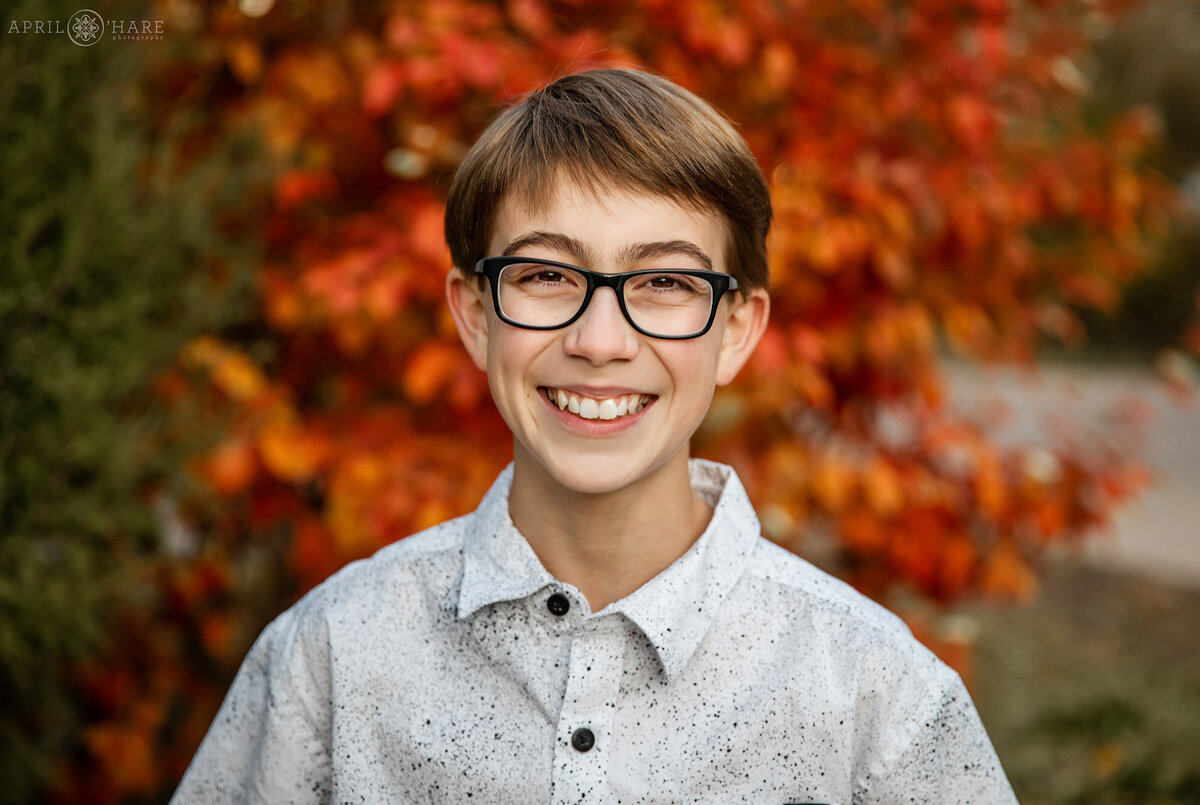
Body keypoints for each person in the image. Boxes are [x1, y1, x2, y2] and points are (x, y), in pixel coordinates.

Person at [173, 68, 1016, 803]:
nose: (601, 341)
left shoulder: (875, 691)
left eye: (663, 282)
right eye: (545, 274)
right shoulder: (332, 657)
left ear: (737, 330)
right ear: (474, 315)